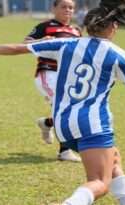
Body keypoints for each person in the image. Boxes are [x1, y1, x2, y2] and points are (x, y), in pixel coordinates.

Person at [0, 0, 125, 204]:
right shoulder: (120, 56)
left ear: (87, 26)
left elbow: (19, 48)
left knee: (113, 159)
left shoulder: (66, 43)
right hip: (92, 125)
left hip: (63, 125)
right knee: (99, 182)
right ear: (114, 27)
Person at [24, 0, 82, 162]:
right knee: (65, 109)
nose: (68, 10)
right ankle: (65, 151)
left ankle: (47, 123)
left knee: (68, 110)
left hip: (67, 76)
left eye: (71, 7)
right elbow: (26, 43)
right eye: (63, 7)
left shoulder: (76, 30)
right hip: (48, 74)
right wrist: (41, 41)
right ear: (54, 8)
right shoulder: (45, 26)